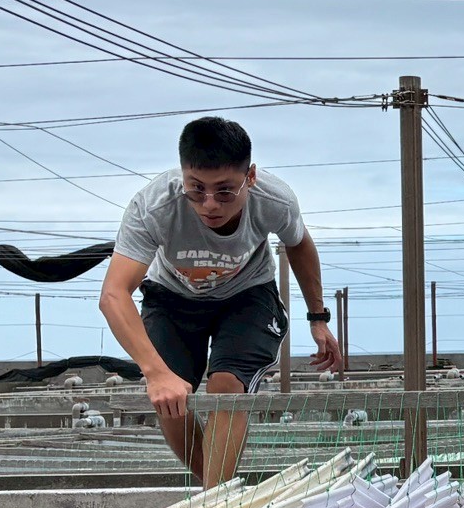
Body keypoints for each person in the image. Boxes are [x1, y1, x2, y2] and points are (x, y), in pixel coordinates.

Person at [99, 116, 343, 483]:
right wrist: (156, 374)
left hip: (247, 296)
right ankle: (220, 497)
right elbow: (114, 294)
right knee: (170, 393)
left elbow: (299, 243)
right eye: (196, 189)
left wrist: (318, 317)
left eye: (225, 191)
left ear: (251, 177)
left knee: (227, 385)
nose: (210, 204)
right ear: (182, 176)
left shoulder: (275, 200)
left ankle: (213, 505)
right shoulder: (154, 206)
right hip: (172, 298)